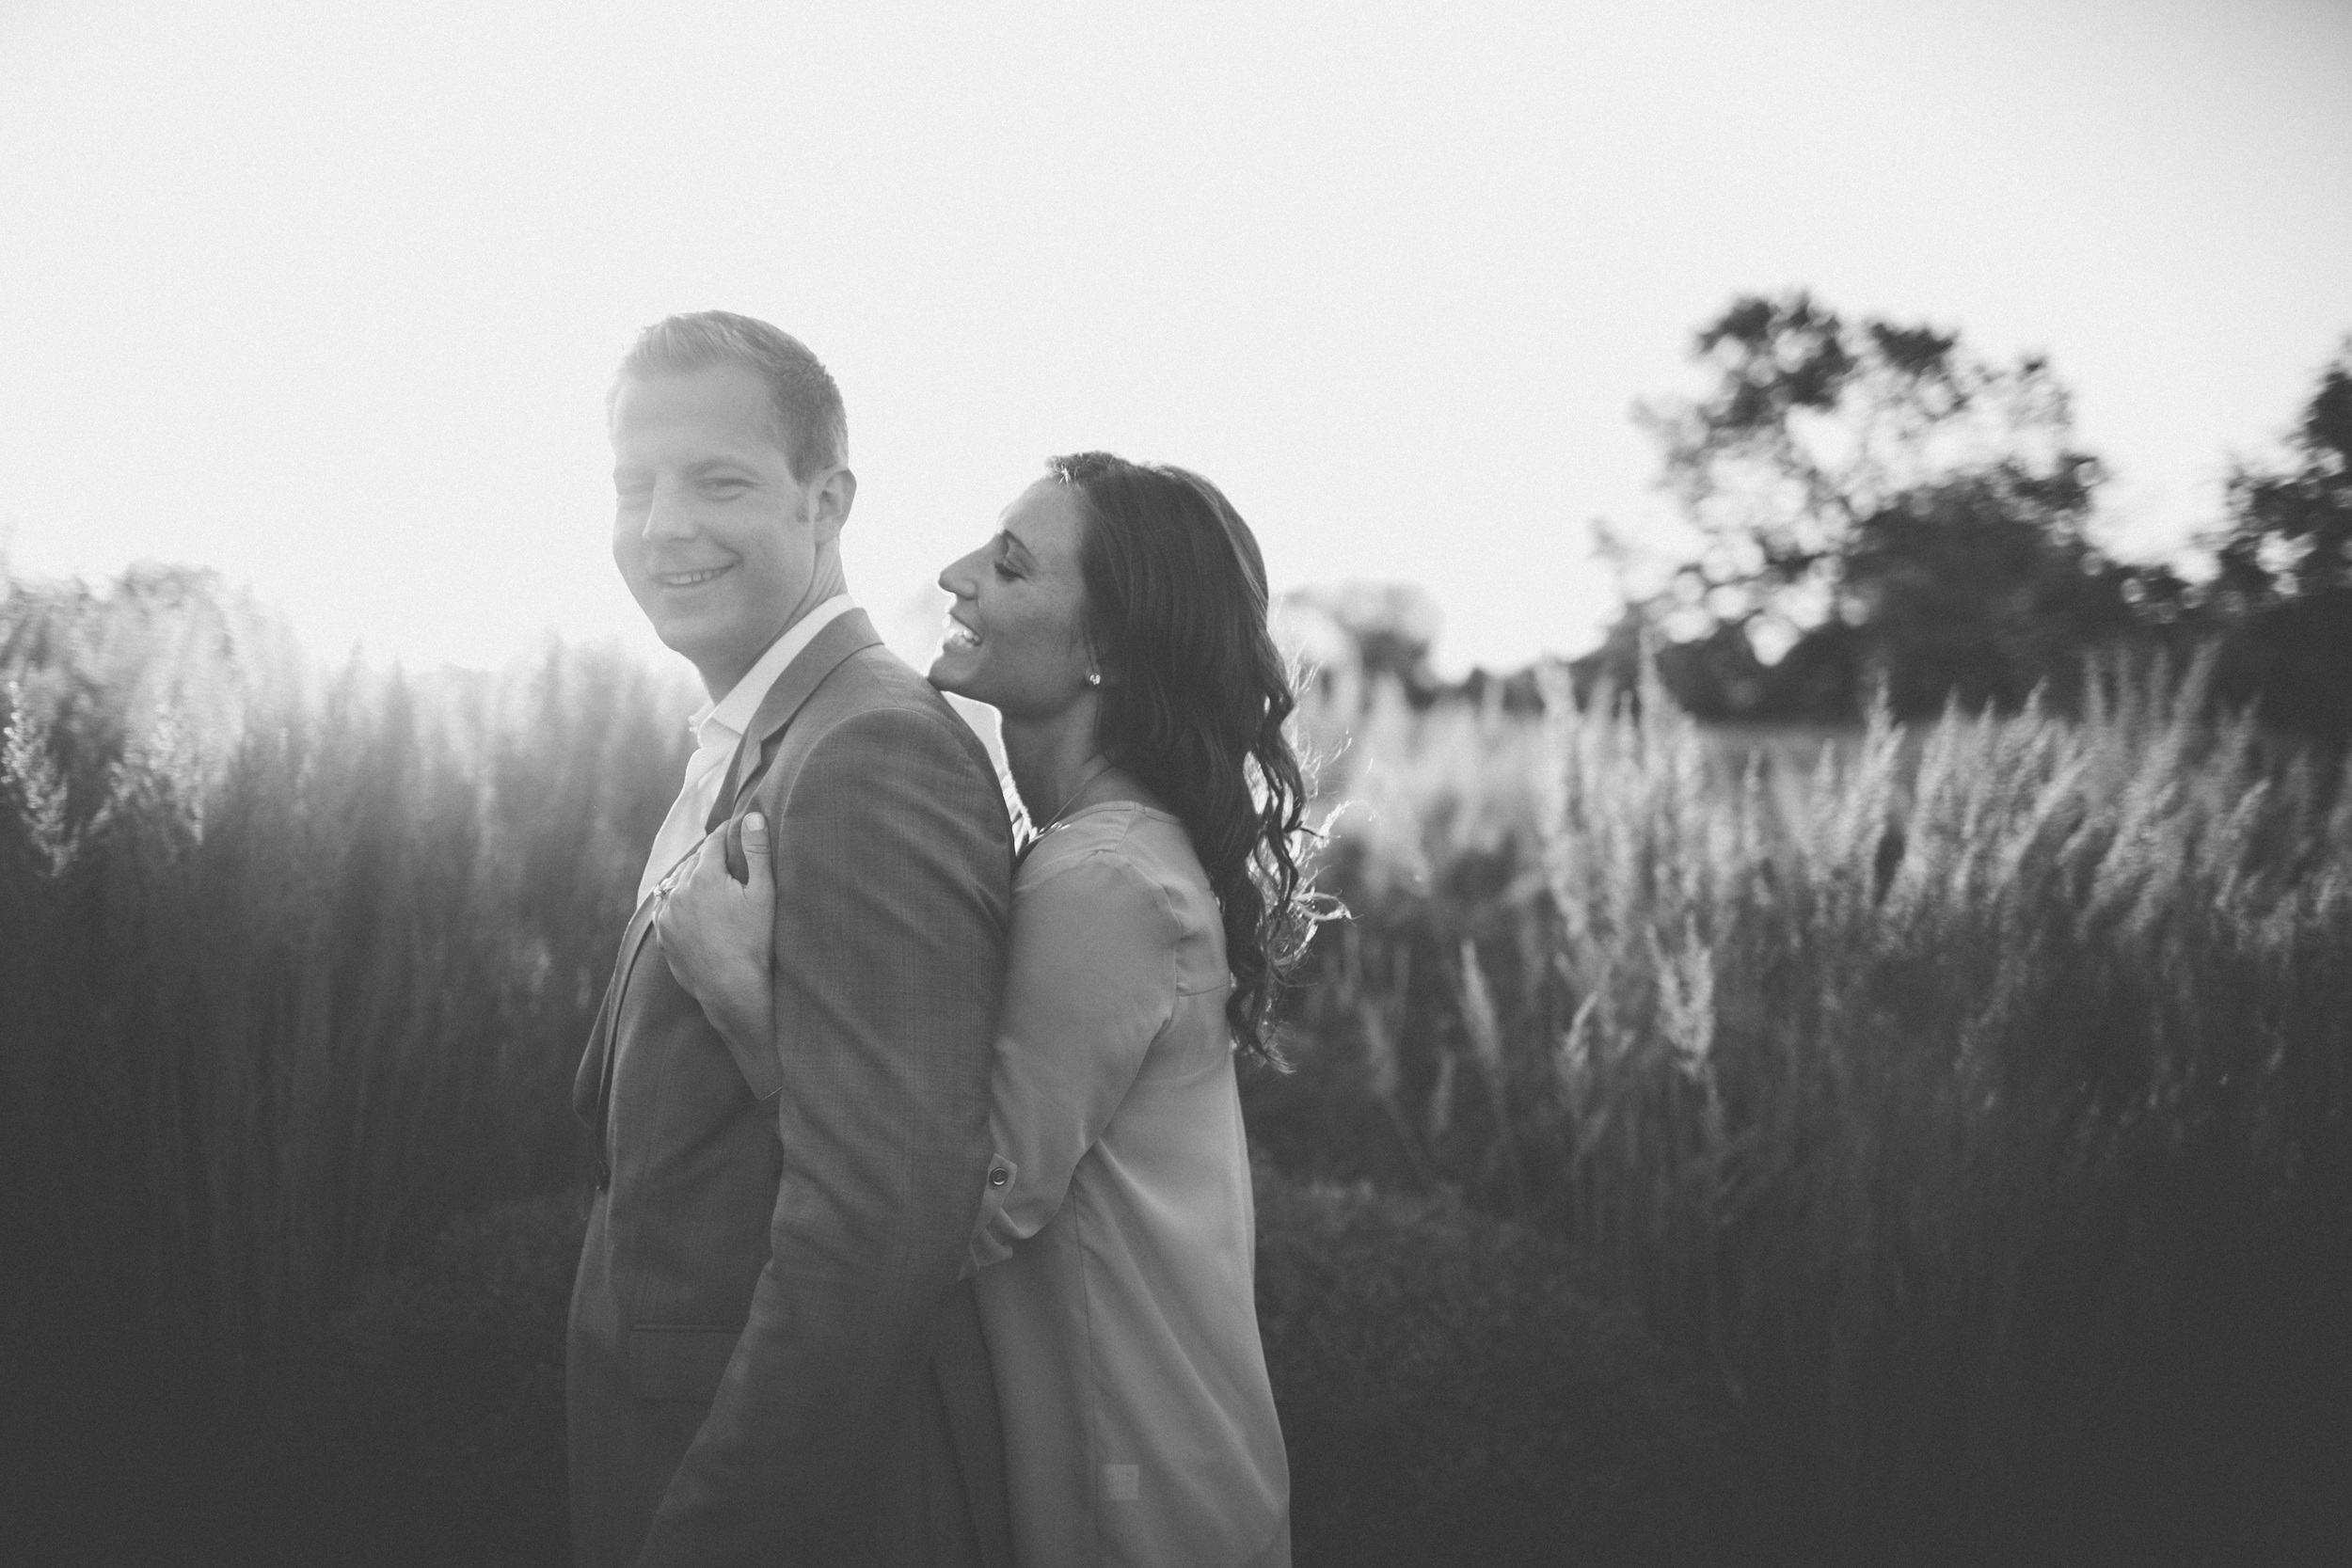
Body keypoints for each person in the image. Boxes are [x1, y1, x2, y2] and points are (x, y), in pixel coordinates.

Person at [658, 451, 1313, 1566]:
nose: (956, 575)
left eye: (1008, 566)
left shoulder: (1104, 877)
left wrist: (743, 1007)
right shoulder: (1094, 853)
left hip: (1131, 1474)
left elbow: (952, 1209)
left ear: (1105, 645)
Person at [567, 310, 1016, 1568]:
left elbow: (881, 1222)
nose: (663, 525)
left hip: (777, 1503)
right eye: (632, 483)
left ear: (828, 502)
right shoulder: (765, 733)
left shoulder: (869, 750)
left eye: (718, 480)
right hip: (657, 1445)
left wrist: (713, 1531)